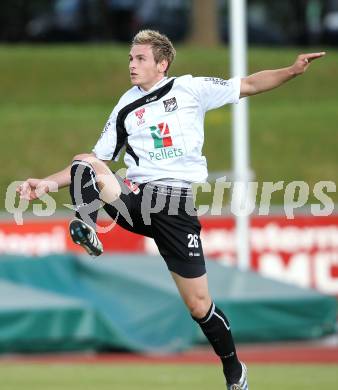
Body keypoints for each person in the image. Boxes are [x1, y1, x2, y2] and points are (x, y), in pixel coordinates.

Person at [17, 30, 325, 389]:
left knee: (199, 306)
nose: (132, 65)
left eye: (140, 59)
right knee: (86, 162)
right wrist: (46, 184)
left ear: (162, 64)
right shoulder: (125, 106)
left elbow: (249, 84)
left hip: (176, 209)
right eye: (130, 58)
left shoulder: (190, 89)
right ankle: (89, 229)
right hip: (137, 202)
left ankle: (234, 370)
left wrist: (291, 70)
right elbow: (94, 161)